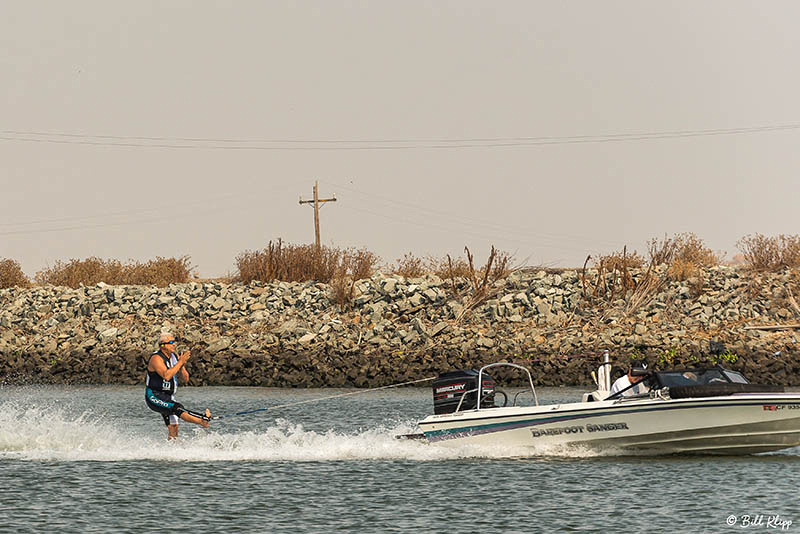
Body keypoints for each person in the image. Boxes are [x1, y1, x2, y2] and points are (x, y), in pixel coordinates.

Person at [145, 332, 211, 439]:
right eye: (171, 342)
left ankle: (172, 449)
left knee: (173, 427)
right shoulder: (156, 358)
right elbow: (166, 376)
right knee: (177, 408)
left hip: (168, 396)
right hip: (154, 395)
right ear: (163, 345)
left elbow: (186, 379)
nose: (174, 344)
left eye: (174, 342)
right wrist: (180, 362)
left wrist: (182, 366)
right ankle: (201, 421)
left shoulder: (174, 357)